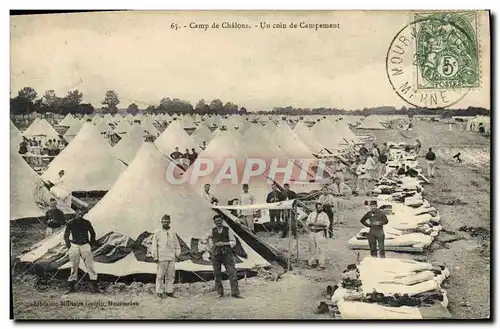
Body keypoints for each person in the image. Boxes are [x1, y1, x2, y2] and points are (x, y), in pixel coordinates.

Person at [203, 215, 242, 298]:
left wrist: (224, 243)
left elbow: (233, 242)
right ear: (214, 222)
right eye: (216, 221)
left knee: (232, 273)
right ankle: (219, 293)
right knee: (217, 274)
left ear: (222, 220)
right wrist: (210, 248)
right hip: (216, 254)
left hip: (226, 254)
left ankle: (235, 293)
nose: (218, 222)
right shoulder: (212, 231)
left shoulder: (228, 230)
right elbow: (204, 239)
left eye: (219, 220)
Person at [64, 210, 98, 293]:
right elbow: (66, 235)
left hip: (85, 245)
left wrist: (91, 243)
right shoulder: (71, 223)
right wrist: (69, 245)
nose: (79, 215)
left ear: (83, 214)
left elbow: (92, 233)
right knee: (74, 266)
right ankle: (72, 287)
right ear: (75, 214)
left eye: (81, 213)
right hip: (74, 246)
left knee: (90, 266)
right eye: (78, 213)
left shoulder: (86, 222)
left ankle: (94, 287)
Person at [151, 215, 181, 299]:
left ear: (170, 222)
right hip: (162, 257)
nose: (166, 223)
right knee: (160, 275)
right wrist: (155, 256)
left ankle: (169, 291)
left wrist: (178, 254)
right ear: (161, 222)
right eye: (164, 221)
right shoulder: (158, 232)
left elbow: (177, 244)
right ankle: (159, 291)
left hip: (171, 257)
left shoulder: (173, 232)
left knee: (170, 275)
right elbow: (154, 245)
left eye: (167, 221)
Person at [306, 201, 330, 270]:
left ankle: (321, 264)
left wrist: (320, 225)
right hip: (312, 232)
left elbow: (327, 224)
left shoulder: (324, 215)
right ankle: (312, 262)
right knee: (311, 248)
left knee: (321, 248)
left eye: (321, 207)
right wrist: (311, 224)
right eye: (319, 207)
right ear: (316, 208)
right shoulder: (312, 214)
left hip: (320, 232)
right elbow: (307, 222)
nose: (320, 208)